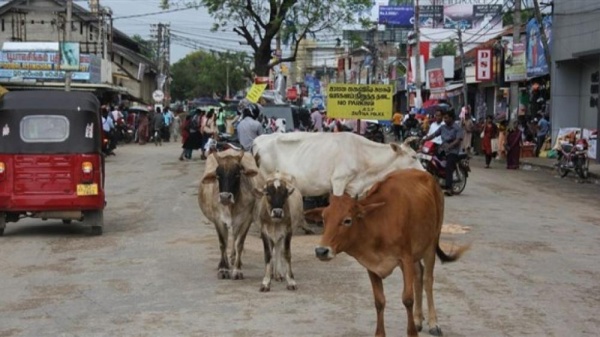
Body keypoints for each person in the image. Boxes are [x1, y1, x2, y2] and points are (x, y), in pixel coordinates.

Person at [422, 110, 464, 196]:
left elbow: (458, 140)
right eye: (444, 118)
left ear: (451, 118)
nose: (444, 120)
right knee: (431, 159)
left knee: (449, 166)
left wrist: (450, 146)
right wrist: (424, 139)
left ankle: (449, 188)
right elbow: (434, 135)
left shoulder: (457, 128)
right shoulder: (443, 127)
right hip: (442, 149)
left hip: (453, 151)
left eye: (446, 118)